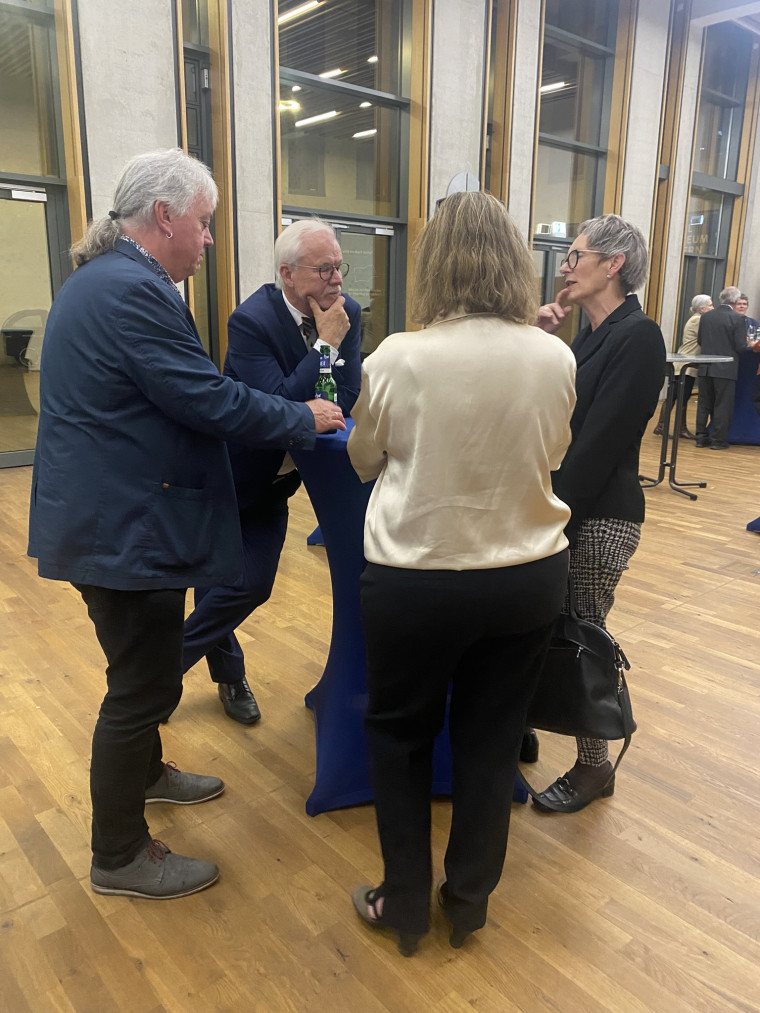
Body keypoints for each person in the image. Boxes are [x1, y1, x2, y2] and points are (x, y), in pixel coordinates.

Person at [27, 149, 345, 901]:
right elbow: (207, 397)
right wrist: (300, 415)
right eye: (203, 223)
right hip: (123, 529)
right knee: (139, 691)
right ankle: (119, 855)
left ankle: (146, 774)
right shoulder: (133, 290)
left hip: (110, 519)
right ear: (164, 216)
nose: (208, 239)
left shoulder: (112, 279)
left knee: (136, 675)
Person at [346, 191, 577, 955]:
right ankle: (469, 901)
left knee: (400, 734)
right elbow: (553, 455)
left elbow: (364, 459)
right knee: (492, 738)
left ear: (433, 263)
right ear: (514, 261)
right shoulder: (554, 356)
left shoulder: (396, 355)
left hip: (416, 576)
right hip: (527, 573)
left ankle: (405, 902)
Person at [181, 219, 361, 723]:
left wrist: (320, 383)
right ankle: (219, 675)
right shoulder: (251, 321)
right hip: (225, 473)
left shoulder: (346, 312)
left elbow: (346, 397)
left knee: (250, 585)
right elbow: (276, 406)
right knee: (220, 583)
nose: (336, 279)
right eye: (323, 269)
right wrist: (325, 348)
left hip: (274, 482)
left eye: (339, 267)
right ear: (287, 273)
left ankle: (158, 672)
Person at [533, 213, 666, 813]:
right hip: (567, 507)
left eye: (576, 255)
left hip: (600, 515)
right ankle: (527, 723)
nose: (565, 266)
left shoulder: (639, 335)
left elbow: (599, 443)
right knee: (544, 624)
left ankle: (595, 766)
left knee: (583, 635)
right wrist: (542, 339)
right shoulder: (588, 334)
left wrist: (554, 517)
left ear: (613, 264)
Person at [653, 293, 712, 439]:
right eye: (710, 305)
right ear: (702, 308)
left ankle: (678, 428)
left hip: (687, 363)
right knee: (676, 396)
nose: (712, 307)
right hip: (685, 364)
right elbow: (706, 337)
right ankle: (663, 426)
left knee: (682, 397)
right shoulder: (698, 320)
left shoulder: (697, 319)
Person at [695, 286, 748, 450]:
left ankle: (701, 438)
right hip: (726, 368)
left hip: (705, 366)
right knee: (723, 405)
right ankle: (718, 440)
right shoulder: (737, 319)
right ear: (735, 300)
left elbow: (700, 341)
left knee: (703, 403)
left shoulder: (706, 317)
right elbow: (740, 346)